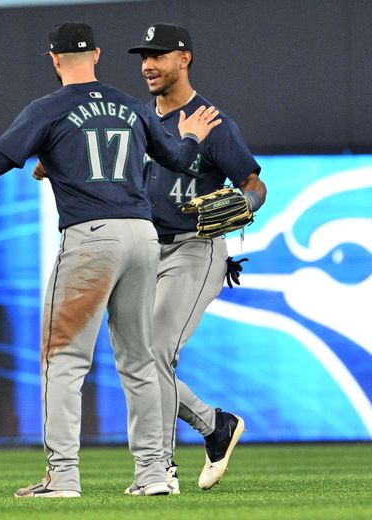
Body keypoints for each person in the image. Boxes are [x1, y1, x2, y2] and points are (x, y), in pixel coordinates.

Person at [0, 21, 221, 497]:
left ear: (53, 59)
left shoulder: (48, 109)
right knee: (140, 362)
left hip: (91, 239)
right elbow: (178, 158)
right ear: (98, 56)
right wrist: (189, 137)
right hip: (144, 235)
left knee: (65, 362)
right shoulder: (131, 106)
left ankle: (63, 476)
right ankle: (153, 475)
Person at [127, 23, 267, 492]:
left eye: (159, 55)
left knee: (154, 355)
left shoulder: (213, 122)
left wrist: (246, 203)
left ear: (184, 59)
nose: (148, 64)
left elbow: (252, 182)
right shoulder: (137, 121)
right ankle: (215, 426)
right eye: (144, 56)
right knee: (139, 360)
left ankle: (159, 468)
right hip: (144, 251)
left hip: (195, 247)